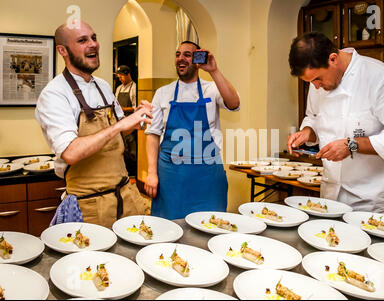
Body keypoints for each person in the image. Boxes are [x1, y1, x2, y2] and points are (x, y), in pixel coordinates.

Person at [287, 32, 384, 214]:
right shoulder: (318, 83)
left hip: (374, 200)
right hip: (331, 195)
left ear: (333, 59)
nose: (316, 86)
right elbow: (314, 118)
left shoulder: (381, 79)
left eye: (317, 79)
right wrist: (308, 131)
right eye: (310, 82)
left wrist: (352, 145)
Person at [35, 20, 153, 228]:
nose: (94, 44)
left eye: (94, 38)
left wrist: (140, 117)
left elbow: (121, 128)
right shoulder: (54, 94)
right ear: (63, 50)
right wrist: (118, 126)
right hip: (90, 207)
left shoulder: (103, 86)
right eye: (82, 40)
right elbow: (70, 152)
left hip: (127, 196)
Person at [144, 40, 240, 220]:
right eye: (178, 54)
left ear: (197, 61)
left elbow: (234, 103)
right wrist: (151, 173)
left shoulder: (212, 89)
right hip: (171, 177)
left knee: (210, 226)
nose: (181, 59)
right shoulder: (163, 93)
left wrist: (214, 71)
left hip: (207, 176)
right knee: (170, 229)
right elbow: (152, 134)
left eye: (187, 55)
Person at [115, 65, 138, 176]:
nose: (120, 79)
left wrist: (124, 109)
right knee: (122, 150)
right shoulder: (118, 89)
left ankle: (133, 174)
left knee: (131, 151)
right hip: (120, 123)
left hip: (131, 124)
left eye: (122, 77)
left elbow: (136, 107)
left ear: (128, 74)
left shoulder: (134, 88)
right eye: (119, 77)